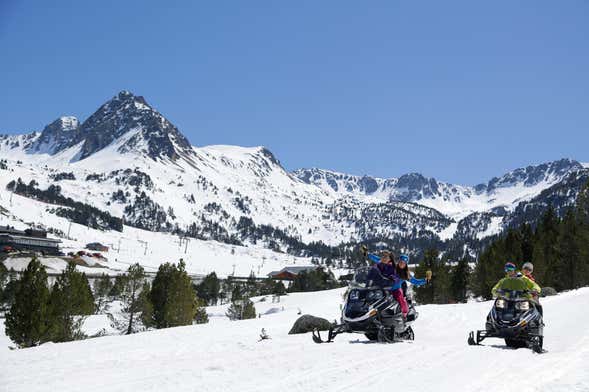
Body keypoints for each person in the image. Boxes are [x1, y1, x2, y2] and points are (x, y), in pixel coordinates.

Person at [390, 254, 429, 319]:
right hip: (386, 288)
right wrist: (368, 254)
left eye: (404, 263)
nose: (402, 264)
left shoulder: (406, 274)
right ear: (398, 261)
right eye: (401, 262)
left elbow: (416, 281)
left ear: (406, 264)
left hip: (396, 290)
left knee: (402, 301)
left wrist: (425, 280)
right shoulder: (393, 267)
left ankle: (404, 316)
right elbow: (380, 260)